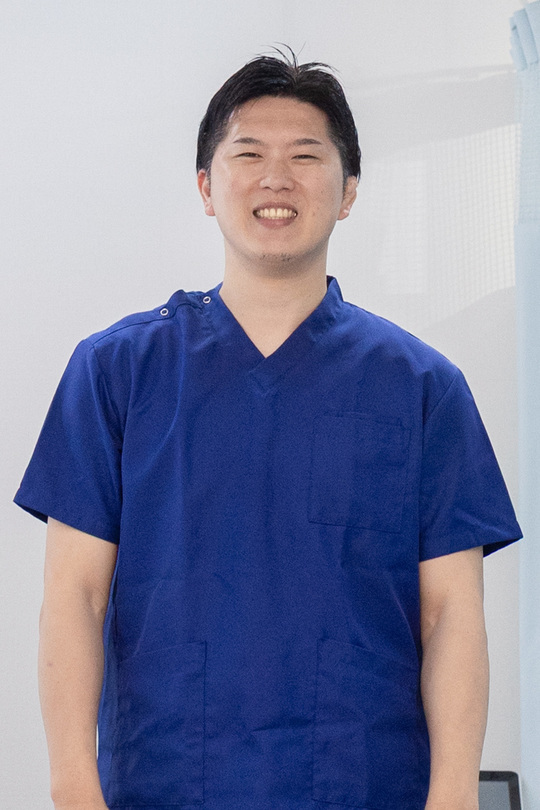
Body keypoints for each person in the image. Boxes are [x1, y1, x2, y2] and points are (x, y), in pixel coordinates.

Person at [15, 50, 522, 810]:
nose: (276, 178)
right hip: (166, 784)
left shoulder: (422, 387)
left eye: (306, 157)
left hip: (366, 785)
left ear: (349, 192)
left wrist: (453, 795)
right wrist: (73, 788)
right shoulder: (116, 372)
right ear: (206, 187)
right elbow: (74, 598)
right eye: (248, 154)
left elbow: (451, 614)